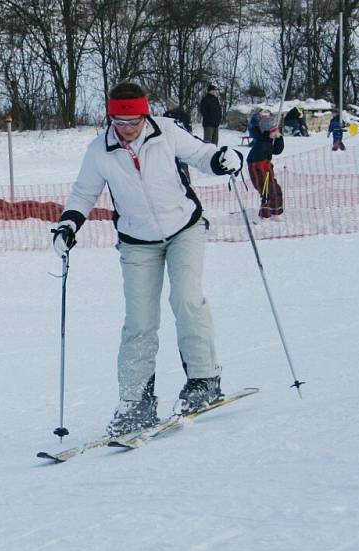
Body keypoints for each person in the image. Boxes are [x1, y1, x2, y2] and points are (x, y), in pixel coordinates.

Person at [51, 81, 242, 436]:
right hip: (136, 242)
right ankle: (135, 403)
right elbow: (83, 193)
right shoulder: (100, 151)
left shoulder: (167, 132)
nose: (127, 129)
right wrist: (68, 224)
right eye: (120, 122)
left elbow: (202, 155)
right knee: (139, 321)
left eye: (134, 121)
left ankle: (204, 380)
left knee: (185, 298)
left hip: (184, 227)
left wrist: (222, 159)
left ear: (145, 114)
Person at [247, 112, 285, 219]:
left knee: (275, 189)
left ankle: (276, 212)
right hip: (257, 167)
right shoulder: (262, 143)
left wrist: (279, 138)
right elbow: (258, 162)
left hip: (266, 166)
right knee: (266, 191)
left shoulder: (268, 140)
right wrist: (265, 172)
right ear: (267, 132)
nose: (276, 132)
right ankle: (265, 215)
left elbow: (277, 150)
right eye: (274, 131)